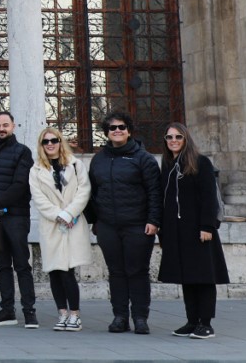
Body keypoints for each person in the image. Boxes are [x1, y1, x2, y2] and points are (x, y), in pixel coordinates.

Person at [87, 111, 161, 335]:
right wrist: (95, 220)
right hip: (108, 225)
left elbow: (154, 193)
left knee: (137, 271)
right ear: (106, 133)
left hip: (138, 225)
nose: (117, 130)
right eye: (112, 128)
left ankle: (140, 317)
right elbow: (91, 192)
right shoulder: (99, 159)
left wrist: (153, 220)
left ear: (129, 130)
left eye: (121, 127)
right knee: (116, 272)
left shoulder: (143, 158)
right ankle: (119, 317)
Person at [158, 122, 229, 339]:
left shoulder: (201, 162)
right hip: (177, 232)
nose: (173, 141)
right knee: (187, 277)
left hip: (199, 231)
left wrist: (207, 226)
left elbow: (209, 197)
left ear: (186, 139)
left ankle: (205, 323)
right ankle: (192, 321)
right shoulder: (168, 165)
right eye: (169, 138)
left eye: (178, 137)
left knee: (204, 277)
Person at [28, 127, 91, 333]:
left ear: (60, 142)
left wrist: (69, 213)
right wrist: (58, 214)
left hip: (72, 223)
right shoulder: (36, 170)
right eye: (45, 142)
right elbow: (39, 199)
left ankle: (75, 314)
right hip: (52, 224)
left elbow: (84, 190)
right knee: (54, 271)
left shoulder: (75, 164)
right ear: (41, 145)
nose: (50, 144)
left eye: (53, 140)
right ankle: (62, 313)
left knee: (68, 271)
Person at [0, 110, 37, 328]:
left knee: (22, 265)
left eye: (5, 125)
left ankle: (30, 312)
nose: (1, 129)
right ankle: (7, 311)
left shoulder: (23, 152)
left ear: (13, 126)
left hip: (16, 217)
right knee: (2, 265)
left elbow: (21, 184)